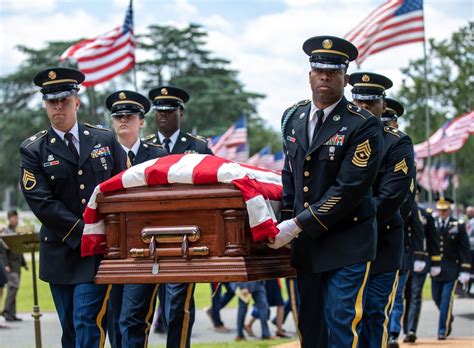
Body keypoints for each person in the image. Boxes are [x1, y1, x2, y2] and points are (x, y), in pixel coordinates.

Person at [269, 36, 383, 347]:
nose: (324, 77)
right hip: (307, 246)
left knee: (339, 323)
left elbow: (349, 188)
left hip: (348, 241)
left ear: (345, 78)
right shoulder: (293, 118)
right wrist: (283, 223)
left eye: (332, 72)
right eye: (319, 70)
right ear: (309, 75)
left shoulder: (363, 125)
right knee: (310, 327)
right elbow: (290, 177)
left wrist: (296, 225)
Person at [20, 67, 127, 347]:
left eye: (64, 100)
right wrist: (83, 232)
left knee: (86, 321)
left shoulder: (103, 139)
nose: (58, 106)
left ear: (76, 102)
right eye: (52, 101)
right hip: (60, 251)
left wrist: (105, 234)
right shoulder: (34, 150)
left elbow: (121, 187)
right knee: (70, 328)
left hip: (97, 252)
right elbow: (42, 203)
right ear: (45, 105)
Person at [348, 73, 415, 348]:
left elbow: (394, 198)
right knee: (346, 314)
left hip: (382, 239)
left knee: (375, 311)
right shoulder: (342, 135)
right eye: (359, 101)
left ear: (381, 105)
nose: (363, 107)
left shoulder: (396, 142)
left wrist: (344, 216)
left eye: (370, 102)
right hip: (346, 242)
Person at [146, 85, 213, 348]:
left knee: (178, 306)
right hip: (147, 233)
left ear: (180, 112)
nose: (162, 115)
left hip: (184, 233)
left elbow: (212, 187)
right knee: (140, 308)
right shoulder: (146, 146)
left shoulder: (197, 147)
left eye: (169, 110)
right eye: (158, 111)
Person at [105, 90, 167, 348]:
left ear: (141, 121)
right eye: (118, 116)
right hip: (109, 249)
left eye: (129, 116)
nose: (123, 121)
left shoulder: (157, 154)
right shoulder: (101, 153)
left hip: (144, 246)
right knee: (112, 317)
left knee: (133, 318)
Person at [403, 187, 440, 343]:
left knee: (416, 295)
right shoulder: (400, 209)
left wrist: (435, 262)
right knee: (402, 296)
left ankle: (411, 329)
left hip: (419, 260)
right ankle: (399, 329)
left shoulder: (426, 215)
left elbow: (433, 240)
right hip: (403, 259)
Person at [431, 197, 471, 340]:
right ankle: (449, 316)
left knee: (446, 300)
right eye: (440, 210)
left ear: (449, 209)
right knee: (436, 298)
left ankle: (442, 330)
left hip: (452, 269)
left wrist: (465, 269)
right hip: (435, 269)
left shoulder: (458, 225)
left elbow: (464, 249)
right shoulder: (432, 223)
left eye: (444, 210)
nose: (442, 212)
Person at [1, 210, 28, 322]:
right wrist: (6, 265)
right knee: (13, 288)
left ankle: (12, 314)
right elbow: (3, 252)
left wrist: (24, 264)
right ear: (9, 219)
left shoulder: (16, 231)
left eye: (17, 218)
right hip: (10, 266)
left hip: (17, 265)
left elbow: (19, 250)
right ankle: (7, 311)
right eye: (14, 218)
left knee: (14, 289)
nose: (16, 220)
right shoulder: (6, 232)